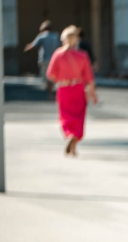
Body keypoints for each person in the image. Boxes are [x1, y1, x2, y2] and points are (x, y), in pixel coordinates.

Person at [45, 26, 98, 156]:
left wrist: (61, 78)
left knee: (65, 115)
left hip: (63, 88)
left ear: (63, 39)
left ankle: (70, 136)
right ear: (76, 40)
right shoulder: (83, 55)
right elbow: (89, 77)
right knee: (78, 116)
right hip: (78, 88)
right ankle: (74, 143)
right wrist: (93, 93)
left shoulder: (58, 54)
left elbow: (50, 74)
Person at [24, 20, 61, 95]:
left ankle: (49, 91)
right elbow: (59, 46)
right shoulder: (56, 35)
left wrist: (26, 48)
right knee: (53, 75)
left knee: (46, 75)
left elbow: (33, 45)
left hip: (44, 59)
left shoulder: (42, 35)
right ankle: (51, 90)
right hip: (54, 59)